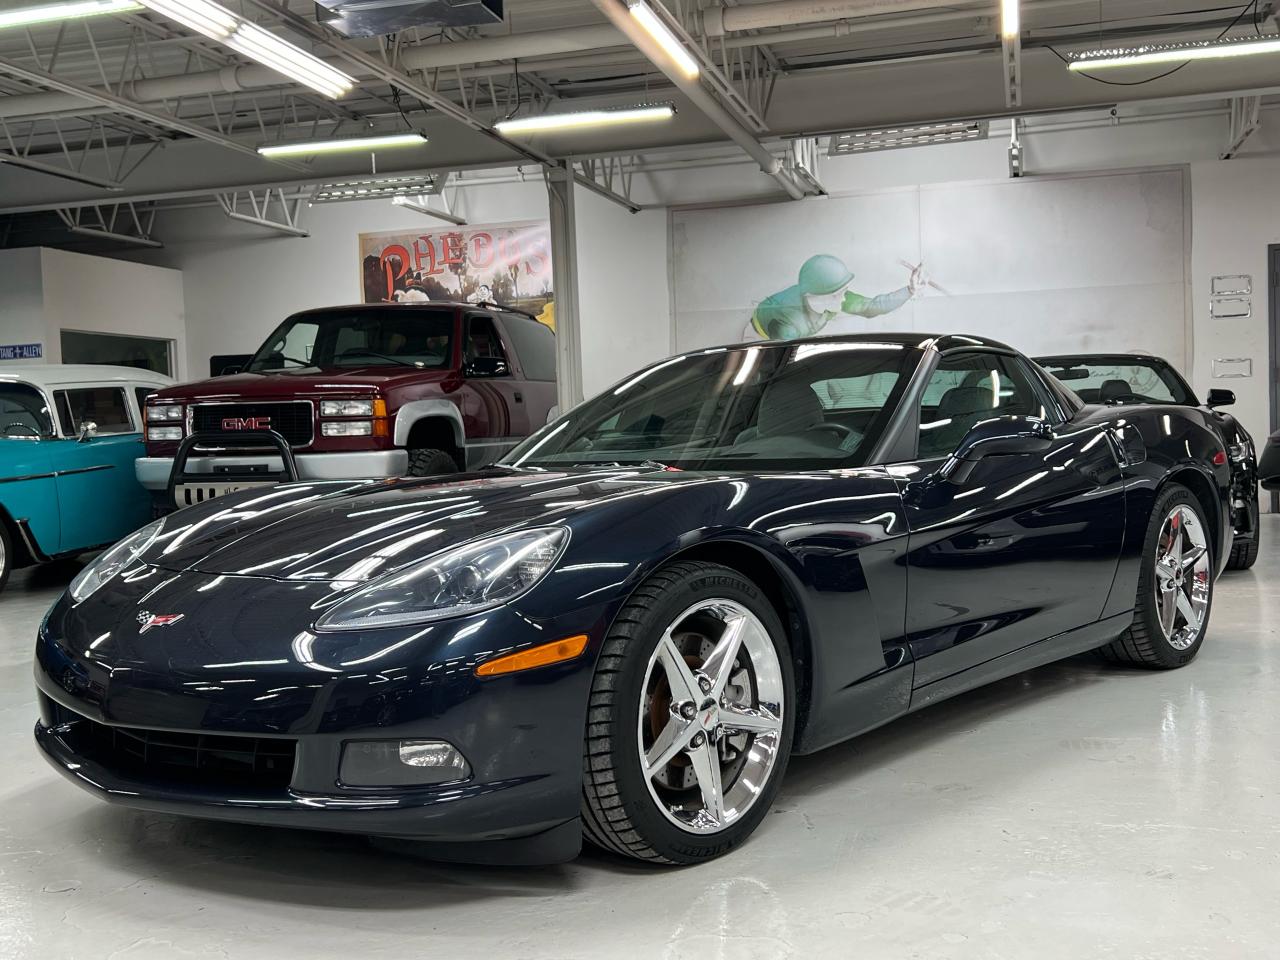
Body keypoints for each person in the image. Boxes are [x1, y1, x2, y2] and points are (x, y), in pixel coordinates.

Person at [744, 254, 925, 341]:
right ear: (814, 297)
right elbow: (780, 359)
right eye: (838, 294)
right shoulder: (788, 325)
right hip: (760, 336)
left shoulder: (831, 296)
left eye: (844, 291)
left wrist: (909, 290)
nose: (844, 298)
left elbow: (870, 307)